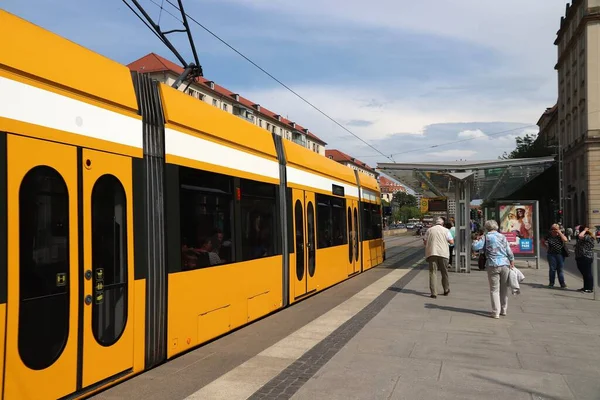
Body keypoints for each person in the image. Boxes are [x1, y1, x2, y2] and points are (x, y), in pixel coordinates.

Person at [472, 220, 515, 319]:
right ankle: (504, 309)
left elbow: (475, 247)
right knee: (504, 288)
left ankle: (496, 311)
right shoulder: (502, 236)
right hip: (505, 264)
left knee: (494, 289)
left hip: (493, 264)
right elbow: (508, 250)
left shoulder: (486, 237)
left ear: (487, 228)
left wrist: (476, 240)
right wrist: (511, 260)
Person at [424, 217, 454, 298]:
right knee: (444, 272)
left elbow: (425, 242)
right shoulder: (446, 230)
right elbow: (451, 242)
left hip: (432, 253)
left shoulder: (429, 230)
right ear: (442, 223)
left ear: (435, 223)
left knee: (432, 272)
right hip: (443, 253)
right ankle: (446, 289)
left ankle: (434, 293)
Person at [541, 223, 569, 289]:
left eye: (555, 229)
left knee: (560, 269)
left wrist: (559, 232)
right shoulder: (549, 235)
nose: (553, 230)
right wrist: (546, 247)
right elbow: (542, 241)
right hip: (551, 254)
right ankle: (551, 283)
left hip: (560, 254)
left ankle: (562, 284)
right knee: (552, 269)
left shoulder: (560, 235)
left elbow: (565, 240)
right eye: (552, 229)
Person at [574, 226, 595, 293]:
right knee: (584, 273)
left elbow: (580, 236)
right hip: (580, 257)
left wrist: (585, 230)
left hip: (586, 257)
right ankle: (585, 287)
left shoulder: (588, 236)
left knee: (587, 273)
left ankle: (589, 288)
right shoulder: (585, 237)